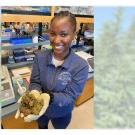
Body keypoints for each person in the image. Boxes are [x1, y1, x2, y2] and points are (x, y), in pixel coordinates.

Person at [15, 11, 89, 129]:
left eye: (63, 34)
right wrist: (34, 92)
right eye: (53, 34)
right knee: (42, 126)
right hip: (40, 110)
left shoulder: (81, 66)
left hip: (62, 112)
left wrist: (50, 97)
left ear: (74, 35)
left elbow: (70, 95)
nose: (56, 40)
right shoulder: (40, 57)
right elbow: (35, 82)